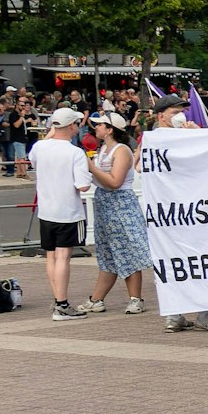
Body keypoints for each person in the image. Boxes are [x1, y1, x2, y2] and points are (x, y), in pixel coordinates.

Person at [80, 112, 151, 315]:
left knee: (128, 250)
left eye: (101, 125)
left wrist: (91, 167)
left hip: (121, 203)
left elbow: (115, 181)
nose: (96, 128)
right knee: (107, 252)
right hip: (106, 203)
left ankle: (135, 298)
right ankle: (97, 299)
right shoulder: (104, 149)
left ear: (110, 129)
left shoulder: (122, 151)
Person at [30, 106, 92, 320]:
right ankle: (62, 304)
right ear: (72, 126)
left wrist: (52, 132)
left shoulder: (39, 147)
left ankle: (58, 298)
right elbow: (83, 186)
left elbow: (35, 157)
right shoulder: (75, 153)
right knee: (64, 257)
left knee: (51, 256)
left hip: (46, 210)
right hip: (68, 211)